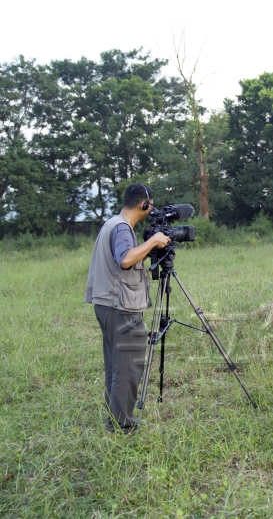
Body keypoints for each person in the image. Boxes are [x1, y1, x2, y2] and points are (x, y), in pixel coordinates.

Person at [85, 184, 171, 433]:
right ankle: (122, 424)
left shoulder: (112, 223)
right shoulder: (122, 228)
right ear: (144, 204)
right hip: (120, 306)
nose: (151, 211)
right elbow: (125, 259)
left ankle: (115, 417)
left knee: (116, 363)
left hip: (107, 304)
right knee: (128, 365)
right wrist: (154, 241)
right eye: (151, 206)